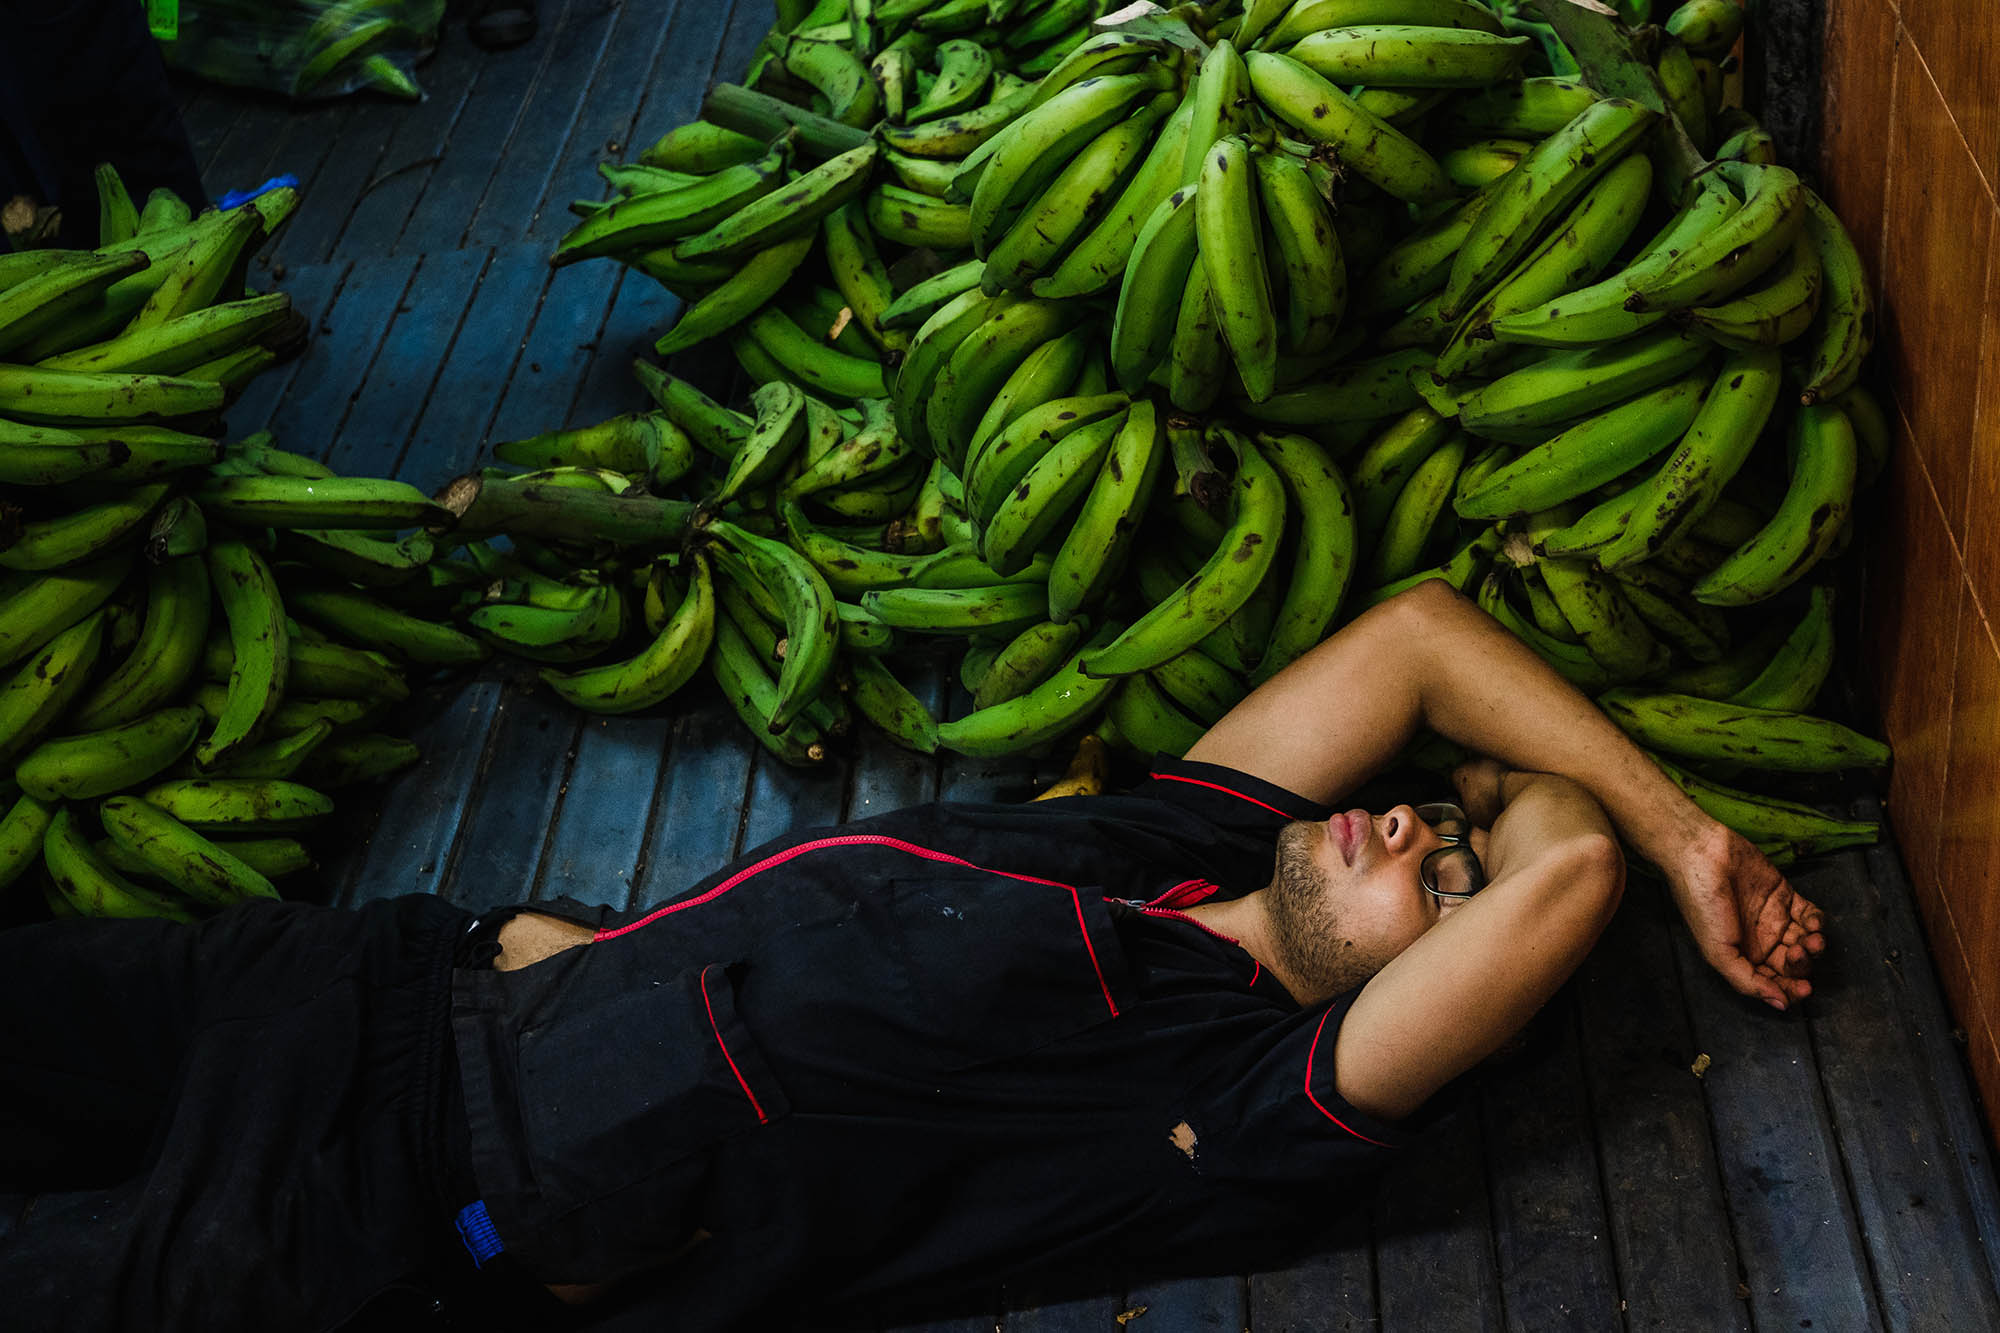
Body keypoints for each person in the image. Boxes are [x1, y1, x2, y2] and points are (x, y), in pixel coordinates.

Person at [0, 581, 1825, 1332]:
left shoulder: (1224, 1108)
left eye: (1438, 875)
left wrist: (1638, 836)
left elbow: (1562, 886)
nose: (1407, 824)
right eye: (1426, 811)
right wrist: (1500, 776)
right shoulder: (1176, 842)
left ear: (1426, 1003)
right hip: (381, 983)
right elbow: (1424, 635)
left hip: (379, 1208)